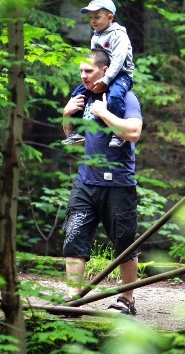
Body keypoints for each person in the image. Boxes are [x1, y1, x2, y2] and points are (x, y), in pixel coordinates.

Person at [61, 49, 142, 315]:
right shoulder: (83, 98)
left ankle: (127, 300)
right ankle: (73, 296)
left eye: (89, 71)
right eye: (81, 71)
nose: (83, 76)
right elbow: (78, 141)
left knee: (124, 243)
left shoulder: (125, 97)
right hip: (86, 181)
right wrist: (67, 117)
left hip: (118, 183)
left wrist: (104, 113)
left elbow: (133, 133)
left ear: (105, 70)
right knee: (74, 235)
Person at [62, 0, 135, 149]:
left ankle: (117, 133)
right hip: (104, 73)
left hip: (120, 75)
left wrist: (106, 79)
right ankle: (77, 132)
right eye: (90, 18)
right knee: (77, 94)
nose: (93, 21)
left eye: (97, 17)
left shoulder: (118, 35)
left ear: (110, 17)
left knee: (115, 95)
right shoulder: (96, 36)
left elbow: (118, 60)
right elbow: (97, 59)